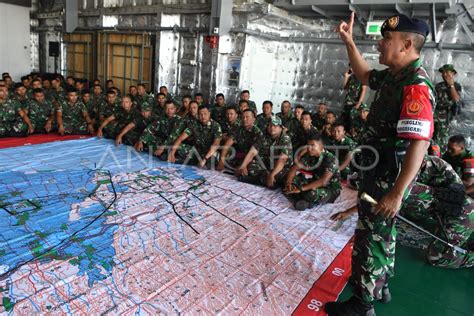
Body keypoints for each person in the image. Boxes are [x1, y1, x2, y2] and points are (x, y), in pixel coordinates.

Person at [325, 13, 434, 316]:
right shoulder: (394, 76)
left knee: (369, 234)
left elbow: (419, 143)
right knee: (385, 232)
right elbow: (363, 75)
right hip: (380, 171)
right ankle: (380, 284)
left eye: (387, 40)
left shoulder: (416, 85)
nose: (380, 43)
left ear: (407, 44)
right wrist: (349, 42)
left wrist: (397, 193)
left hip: (389, 176)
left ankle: (362, 304)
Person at [331, 155, 473, 269]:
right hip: (439, 207)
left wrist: (350, 211)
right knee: (403, 206)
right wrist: (348, 212)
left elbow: (383, 197)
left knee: (436, 257)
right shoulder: (403, 168)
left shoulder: (417, 171)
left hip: (463, 213)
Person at [284, 131, 341, 210]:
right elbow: (294, 168)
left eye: (312, 145)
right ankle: (301, 198)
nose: (309, 148)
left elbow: (323, 181)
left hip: (330, 189)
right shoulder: (310, 155)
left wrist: (300, 189)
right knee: (287, 178)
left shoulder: (331, 159)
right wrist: (289, 182)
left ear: (321, 146)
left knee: (311, 193)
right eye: (308, 145)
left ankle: (306, 202)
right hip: (314, 182)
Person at [236, 116, 292, 189]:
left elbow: (282, 160)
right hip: (267, 165)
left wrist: (272, 175)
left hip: (280, 167)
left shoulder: (285, 139)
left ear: (280, 128)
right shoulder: (263, 135)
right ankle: (267, 180)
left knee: (282, 176)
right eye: (270, 125)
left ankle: (262, 179)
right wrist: (243, 166)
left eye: (275, 126)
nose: (272, 127)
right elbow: (253, 151)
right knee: (250, 165)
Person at [434, 64, 463, 152]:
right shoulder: (438, 86)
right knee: (432, 141)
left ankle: (441, 160)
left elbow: (456, 100)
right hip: (434, 117)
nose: (444, 74)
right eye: (443, 73)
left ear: (453, 73)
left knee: (441, 141)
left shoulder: (456, 86)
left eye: (447, 72)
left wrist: (451, 85)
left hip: (445, 119)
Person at [342, 64, 368, 130]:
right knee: (346, 120)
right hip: (348, 102)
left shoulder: (362, 77)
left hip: (356, 103)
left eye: (353, 67)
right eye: (350, 67)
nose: (351, 68)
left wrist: (359, 102)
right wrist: (346, 77)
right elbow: (345, 87)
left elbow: (364, 90)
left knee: (354, 120)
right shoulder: (351, 77)